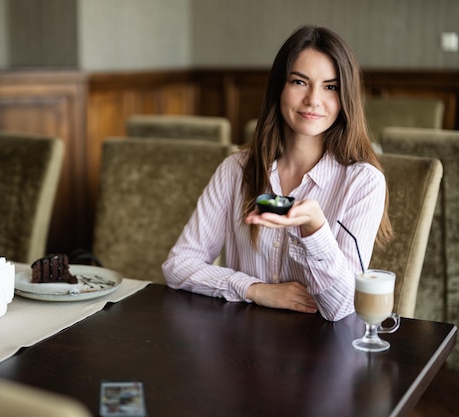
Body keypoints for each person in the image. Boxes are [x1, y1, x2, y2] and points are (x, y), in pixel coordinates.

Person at [162, 25, 392, 322]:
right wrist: (254, 289)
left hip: (322, 352)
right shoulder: (237, 169)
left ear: (345, 97)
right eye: (299, 81)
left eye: (330, 87)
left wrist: (315, 228)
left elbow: (341, 306)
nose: (313, 100)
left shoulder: (363, 182)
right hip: (241, 343)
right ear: (278, 88)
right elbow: (178, 265)